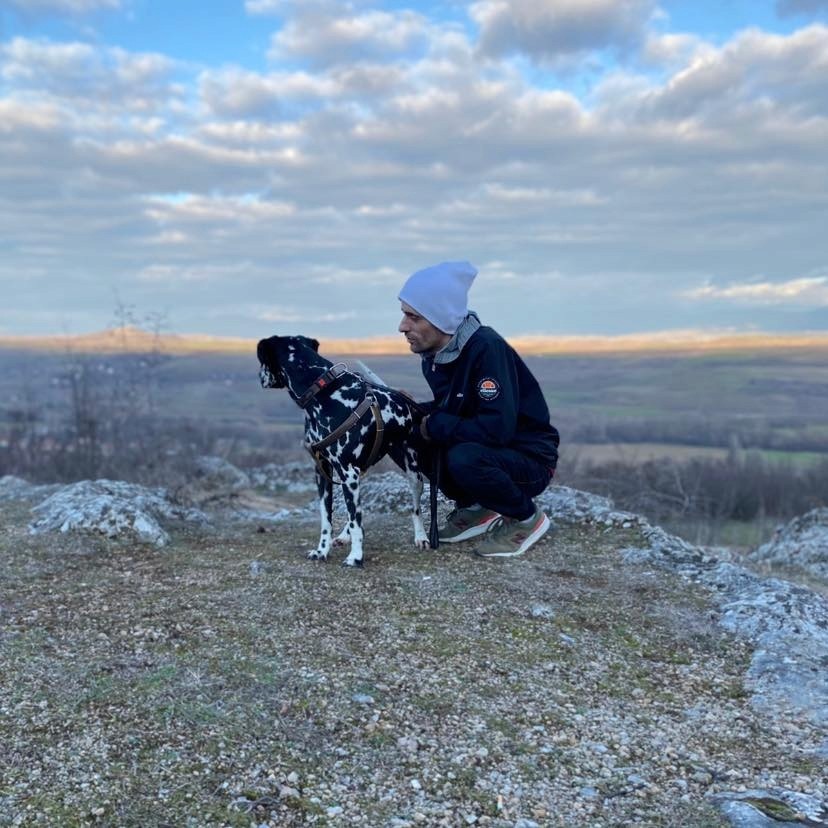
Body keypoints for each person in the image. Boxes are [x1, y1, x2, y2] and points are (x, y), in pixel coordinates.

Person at [398, 260, 559, 557]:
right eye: (403, 315)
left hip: (529, 459)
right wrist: (411, 411)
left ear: (440, 318)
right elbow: (456, 407)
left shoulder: (486, 348)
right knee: (404, 433)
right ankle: (477, 509)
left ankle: (526, 519)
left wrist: (434, 424)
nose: (402, 327)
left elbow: (495, 429)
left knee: (464, 457)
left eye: (413, 317)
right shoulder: (436, 355)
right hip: (493, 450)